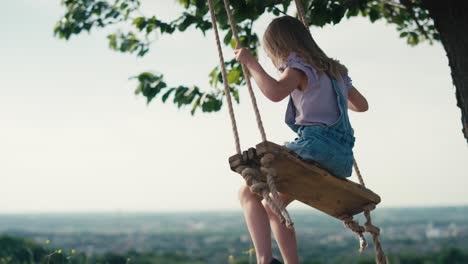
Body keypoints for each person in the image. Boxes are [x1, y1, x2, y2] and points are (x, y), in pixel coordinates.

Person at [233, 16, 369, 264]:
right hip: (341, 157)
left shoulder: (298, 66)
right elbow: (361, 105)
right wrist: (332, 94)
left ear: (279, 47)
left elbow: (274, 92)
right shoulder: (336, 72)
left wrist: (251, 63)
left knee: (247, 192)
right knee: (274, 206)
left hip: (314, 147)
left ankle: (264, 260)